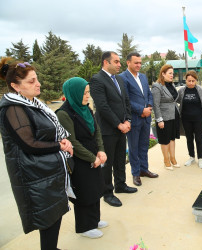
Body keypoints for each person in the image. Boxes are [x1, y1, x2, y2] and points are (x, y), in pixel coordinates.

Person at [0, 57, 73, 250]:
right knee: (47, 218)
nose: (38, 84)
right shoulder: (13, 108)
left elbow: (49, 132)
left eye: (37, 79)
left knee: (54, 214)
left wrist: (62, 139)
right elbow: (29, 144)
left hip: (46, 171)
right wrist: (60, 146)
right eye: (31, 81)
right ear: (16, 86)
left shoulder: (33, 103)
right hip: (34, 175)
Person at [56, 77, 108, 239]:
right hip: (79, 158)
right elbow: (72, 142)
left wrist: (100, 150)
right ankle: (85, 227)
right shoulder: (64, 113)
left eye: (88, 92)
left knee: (95, 188)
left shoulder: (86, 108)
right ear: (75, 93)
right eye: (85, 93)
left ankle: (94, 219)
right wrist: (92, 158)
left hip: (93, 154)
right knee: (84, 191)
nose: (88, 96)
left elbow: (96, 131)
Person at [90, 51, 137, 208]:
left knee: (119, 159)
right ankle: (108, 193)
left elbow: (126, 102)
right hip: (107, 130)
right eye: (116, 62)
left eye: (119, 62)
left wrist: (128, 121)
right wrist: (119, 124)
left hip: (122, 127)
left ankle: (121, 185)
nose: (119, 65)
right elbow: (103, 106)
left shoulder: (119, 79)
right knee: (107, 162)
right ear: (105, 62)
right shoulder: (97, 80)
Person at [119, 52, 158, 187]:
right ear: (128, 62)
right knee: (133, 147)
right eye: (136, 62)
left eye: (140, 62)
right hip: (134, 119)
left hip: (146, 118)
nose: (139, 65)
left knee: (143, 145)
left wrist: (149, 106)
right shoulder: (122, 78)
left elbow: (148, 94)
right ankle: (135, 173)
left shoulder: (143, 77)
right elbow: (126, 99)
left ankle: (144, 169)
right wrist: (141, 110)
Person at [176, 70, 202, 169]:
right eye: (189, 80)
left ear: (196, 81)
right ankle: (191, 157)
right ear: (185, 80)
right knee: (189, 139)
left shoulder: (200, 90)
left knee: (198, 139)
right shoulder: (182, 90)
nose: (191, 83)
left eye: (193, 81)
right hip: (186, 119)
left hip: (198, 119)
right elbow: (176, 100)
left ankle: (200, 158)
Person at [151, 64, 180, 170]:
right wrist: (159, 120)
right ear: (163, 74)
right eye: (170, 73)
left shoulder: (171, 85)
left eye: (173, 73)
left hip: (174, 116)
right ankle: (166, 160)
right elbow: (156, 104)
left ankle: (173, 158)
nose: (172, 75)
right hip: (163, 118)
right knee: (165, 140)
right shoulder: (157, 86)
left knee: (172, 139)